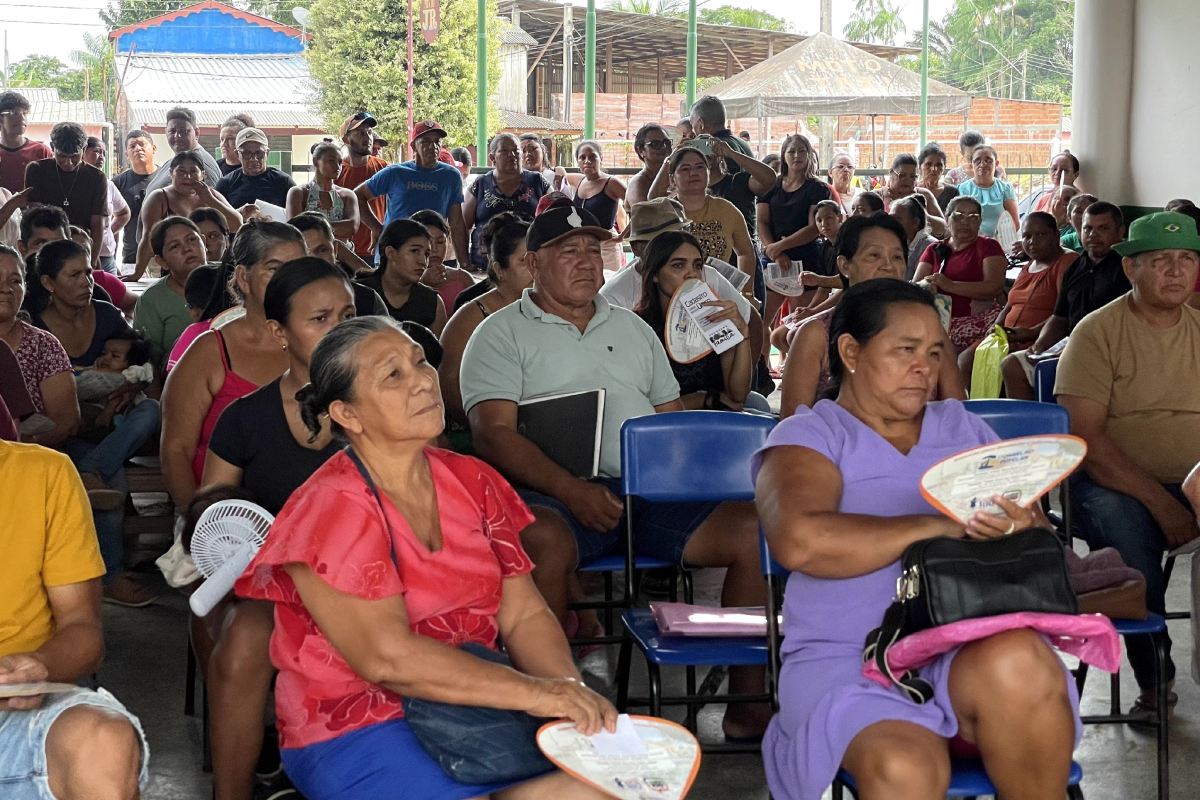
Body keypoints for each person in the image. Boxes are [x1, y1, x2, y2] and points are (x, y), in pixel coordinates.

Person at [229, 315, 617, 799]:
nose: (422, 382)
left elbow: (523, 614)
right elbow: (387, 659)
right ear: (348, 414)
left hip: (475, 705)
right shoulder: (332, 507)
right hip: (358, 722)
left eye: (418, 362)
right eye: (393, 375)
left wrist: (565, 692)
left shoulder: (472, 481)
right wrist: (539, 694)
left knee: (613, 788)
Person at [756, 278, 1079, 800]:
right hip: (850, 657)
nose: (924, 367)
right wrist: (940, 526)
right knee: (904, 768)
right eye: (905, 350)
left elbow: (1038, 533)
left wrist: (1020, 527)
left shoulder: (962, 427)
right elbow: (801, 542)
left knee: (1020, 661)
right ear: (851, 352)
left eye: (934, 352)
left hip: (966, 641)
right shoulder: (812, 435)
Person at [461, 205, 770, 740]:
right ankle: (552, 711)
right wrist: (570, 489)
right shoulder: (499, 333)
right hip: (550, 494)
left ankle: (746, 701)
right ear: (533, 262)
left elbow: (668, 419)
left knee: (750, 529)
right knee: (541, 539)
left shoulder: (631, 328)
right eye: (567, 251)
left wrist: (681, 474)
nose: (585, 263)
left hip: (643, 489)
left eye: (593, 250)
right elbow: (493, 434)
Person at [200, 257, 355, 800]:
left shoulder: (388, 403)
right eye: (319, 319)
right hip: (280, 581)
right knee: (242, 642)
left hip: (375, 578)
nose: (339, 330)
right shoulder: (243, 418)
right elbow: (209, 507)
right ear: (277, 331)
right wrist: (238, 517)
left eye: (347, 315)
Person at [1056, 210, 1200, 714]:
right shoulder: (1097, 333)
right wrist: (1164, 505)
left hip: (1195, 481)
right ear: (1130, 269)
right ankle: (1154, 675)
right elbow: (1089, 441)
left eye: (1186, 259)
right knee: (1131, 540)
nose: (1177, 271)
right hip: (1110, 483)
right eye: (1161, 260)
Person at [0, 438, 148, 798]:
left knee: (104, 741)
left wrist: (39, 665)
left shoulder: (43, 473)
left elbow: (82, 631)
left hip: (13, 715)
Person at [32, 239, 162, 606]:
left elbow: (140, 356)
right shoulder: (39, 328)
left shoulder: (106, 314)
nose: (86, 281)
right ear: (48, 284)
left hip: (113, 426)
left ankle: (93, 469)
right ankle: (112, 574)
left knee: (151, 410)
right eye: (74, 275)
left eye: (88, 272)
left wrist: (133, 382)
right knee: (112, 482)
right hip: (68, 428)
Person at [160, 220, 306, 511]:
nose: (289, 282)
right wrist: (200, 524)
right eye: (275, 269)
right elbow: (176, 450)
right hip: (223, 527)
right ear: (242, 277)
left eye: (298, 270)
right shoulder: (209, 352)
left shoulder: (317, 347)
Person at [780, 214, 964, 418]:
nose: (888, 266)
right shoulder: (817, 333)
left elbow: (958, 413)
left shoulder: (929, 330)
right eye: (874, 256)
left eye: (897, 257)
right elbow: (792, 422)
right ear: (844, 265)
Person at [1001, 202, 1129, 399]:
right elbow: (1059, 318)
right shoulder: (1077, 267)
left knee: (1056, 370)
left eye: (1103, 228)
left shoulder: (1126, 269)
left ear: (1120, 232)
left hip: (1105, 351)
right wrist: (1040, 345)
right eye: (1088, 228)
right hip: (1069, 344)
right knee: (1012, 365)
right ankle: (1030, 427)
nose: (1093, 235)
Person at [633, 231, 752, 410]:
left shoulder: (714, 316)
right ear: (655, 274)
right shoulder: (637, 327)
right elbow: (640, 403)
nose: (692, 274)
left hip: (716, 418)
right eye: (678, 265)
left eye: (697, 266)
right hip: (665, 426)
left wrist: (743, 336)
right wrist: (701, 400)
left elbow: (737, 396)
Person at [958, 212, 1075, 386]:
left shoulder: (1066, 262)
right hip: (1009, 336)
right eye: (1027, 236)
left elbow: (1063, 314)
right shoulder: (1028, 266)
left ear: (1056, 235)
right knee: (966, 359)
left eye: (1041, 235)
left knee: (1004, 365)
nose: (1032, 241)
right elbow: (1010, 304)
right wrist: (996, 326)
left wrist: (1030, 333)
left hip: (1039, 339)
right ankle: (975, 411)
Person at [439, 212, 530, 429]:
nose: (537, 269)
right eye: (525, 261)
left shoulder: (551, 309)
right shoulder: (469, 318)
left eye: (541, 259)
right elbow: (451, 391)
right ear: (499, 269)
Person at [356, 120, 469, 267]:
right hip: (394, 256)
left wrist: (464, 263)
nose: (433, 146)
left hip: (432, 255)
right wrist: (377, 228)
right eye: (426, 141)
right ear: (414, 146)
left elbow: (456, 222)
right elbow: (358, 196)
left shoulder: (451, 175)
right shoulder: (395, 172)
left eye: (437, 141)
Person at [0, 245, 80, 449]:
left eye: (15, 281)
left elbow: (66, 421)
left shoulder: (43, 345)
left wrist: (22, 448)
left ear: (25, 288)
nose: (6, 288)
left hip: (29, 457)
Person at [913, 195, 1007, 352]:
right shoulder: (934, 249)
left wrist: (949, 285)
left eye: (973, 217)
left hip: (976, 324)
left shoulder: (989, 246)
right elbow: (916, 287)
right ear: (947, 219)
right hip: (938, 322)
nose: (965, 221)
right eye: (958, 216)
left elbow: (994, 287)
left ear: (979, 222)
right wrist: (928, 285)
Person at [132, 152, 242, 281]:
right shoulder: (159, 198)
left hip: (210, 267)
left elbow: (237, 225)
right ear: (171, 173)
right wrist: (137, 273)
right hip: (170, 267)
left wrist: (210, 200)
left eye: (193, 171)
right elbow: (148, 237)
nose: (187, 176)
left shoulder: (211, 195)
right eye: (181, 171)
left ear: (203, 174)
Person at [24, 123, 106, 270]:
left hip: (82, 248)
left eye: (75, 156)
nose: (68, 163)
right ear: (52, 147)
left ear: (84, 149)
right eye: (62, 156)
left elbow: (97, 224)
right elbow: (35, 219)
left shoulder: (96, 177)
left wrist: (92, 261)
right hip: (45, 249)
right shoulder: (36, 170)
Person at [133, 216, 210, 369]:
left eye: (192, 240)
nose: (187, 248)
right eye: (175, 246)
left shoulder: (231, 278)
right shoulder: (152, 300)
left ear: (204, 242)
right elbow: (148, 360)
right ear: (161, 261)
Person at [669, 146, 755, 280]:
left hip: (718, 292)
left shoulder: (726, 209)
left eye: (700, 167)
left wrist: (747, 292)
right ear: (672, 179)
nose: (693, 173)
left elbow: (746, 253)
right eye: (685, 169)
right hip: (673, 292)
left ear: (708, 173)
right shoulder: (663, 212)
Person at [464, 133, 547, 270]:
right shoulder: (480, 184)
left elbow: (554, 217)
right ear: (492, 157)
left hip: (529, 267)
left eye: (516, 150)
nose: (512, 155)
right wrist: (464, 262)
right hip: (484, 267)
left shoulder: (538, 181)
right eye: (504, 151)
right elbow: (462, 225)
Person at [288, 211, 386, 317]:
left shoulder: (367, 301)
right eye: (305, 253)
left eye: (322, 250)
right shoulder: (279, 303)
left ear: (335, 249)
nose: (315, 260)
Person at [357, 219, 447, 334]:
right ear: (391, 253)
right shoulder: (359, 295)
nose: (423, 262)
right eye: (415, 251)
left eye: (426, 254)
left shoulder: (433, 303)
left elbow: (438, 350)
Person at [553, 140, 626, 271]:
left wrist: (622, 236)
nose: (587, 161)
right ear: (578, 161)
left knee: (607, 288)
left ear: (601, 159)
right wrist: (559, 170)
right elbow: (559, 172)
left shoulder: (611, 183)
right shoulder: (579, 180)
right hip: (582, 244)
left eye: (592, 157)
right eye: (582, 157)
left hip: (606, 247)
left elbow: (638, 207)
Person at [336, 111, 389, 260]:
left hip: (379, 250)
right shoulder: (336, 171)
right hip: (345, 251)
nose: (367, 137)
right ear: (346, 139)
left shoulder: (385, 168)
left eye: (370, 132)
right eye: (360, 133)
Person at [286, 141, 359, 242]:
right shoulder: (299, 193)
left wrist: (312, 227)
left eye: (339, 162)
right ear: (316, 161)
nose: (338, 167)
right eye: (331, 161)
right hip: (310, 256)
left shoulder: (347, 195)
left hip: (344, 256)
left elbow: (352, 227)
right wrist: (339, 229)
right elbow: (296, 230)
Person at [143, 106, 223, 195]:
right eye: (172, 131)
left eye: (184, 131)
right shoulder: (174, 161)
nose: (177, 136)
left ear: (196, 133)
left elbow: (208, 203)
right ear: (166, 132)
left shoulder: (201, 164)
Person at [215, 128, 295, 212]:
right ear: (237, 154)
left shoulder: (284, 182)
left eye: (259, 153)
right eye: (246, 153)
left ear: (267, 153)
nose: (254, 159)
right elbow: (217, 218)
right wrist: (239, 214)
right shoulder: (226, 184)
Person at [81, 137, 130, 275]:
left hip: (106, 256)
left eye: (104, 153)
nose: (101, 157)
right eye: (96, 151)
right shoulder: (74, 183)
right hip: (81, 255)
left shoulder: (108, 184)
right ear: (82, 153)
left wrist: (107, 233)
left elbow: (124, 213)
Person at [164, 263, 222, 374]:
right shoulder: (245, 326)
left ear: (194, 311)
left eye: (189, 306)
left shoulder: (194, 333)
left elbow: (173, 375)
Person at [414, 209, 475, 311]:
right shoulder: (402, 281)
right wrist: (422, 284)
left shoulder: (463, 279)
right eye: (428, 242)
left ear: (448, 241)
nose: (434, 249)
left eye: (440, 241)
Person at [113, 130, 157, 269]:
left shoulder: (167, 178)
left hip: (162, 258)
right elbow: (112, 224)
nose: (138, 149)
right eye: (132, 146)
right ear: (126, 154)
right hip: (131, 259)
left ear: (154, 149)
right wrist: (112, 261)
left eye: (142, 144)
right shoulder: (118, 183)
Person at [955, 145, 1018, 239]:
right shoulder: (963, 189)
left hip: (1001, 243)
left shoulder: (1005, 188)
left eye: (988, 160)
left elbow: (1015, 223)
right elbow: (959, 221)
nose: (983, 164)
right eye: (977, 160)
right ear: (971, 165)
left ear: (996, 164)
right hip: (972, 242)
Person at [877, 153, 946, 236]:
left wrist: (922, 214)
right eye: (902, 175)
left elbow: (943, 228)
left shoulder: (924, 195)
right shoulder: (878, 196)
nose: (907, 180)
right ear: (891, 172)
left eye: (913, 176)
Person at [0, 90, 51, 193]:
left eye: (25, 113)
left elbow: (50, 188)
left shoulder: (41, 151)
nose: (22, 118)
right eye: (15, 113)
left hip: (33, 209)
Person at [689, 94, 754, 174]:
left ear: (701, 124)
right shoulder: (742, 143)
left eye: (692, 125)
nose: (692, 131)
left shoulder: (713, 148)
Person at [625, 123, 673, 209]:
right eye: (655, 144)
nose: (664, 147)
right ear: (641, 150)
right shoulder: (638, 182)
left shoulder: (672, 177)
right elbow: (646, 214)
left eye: (667, 143)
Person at [891, 194, 936, 281]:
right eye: (890, 218)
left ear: (915, 223)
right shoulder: (897, 242)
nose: (892, 222)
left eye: (898, 219)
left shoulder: (929, 246)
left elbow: (920, 285)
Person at [1026, 151, 1080, 216]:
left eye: (1065, 170)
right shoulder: (1045, 198)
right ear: (1049, 171)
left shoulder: (1079, 201)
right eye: (1054, 169)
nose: (1057, 173)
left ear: (1075, 174)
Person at [917, 142, 958, 212]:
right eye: (928, 164)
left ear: (944, 167)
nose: (934, 169)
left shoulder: (952, 192)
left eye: (939, 165)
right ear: (920, 167)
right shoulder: (913, 190)